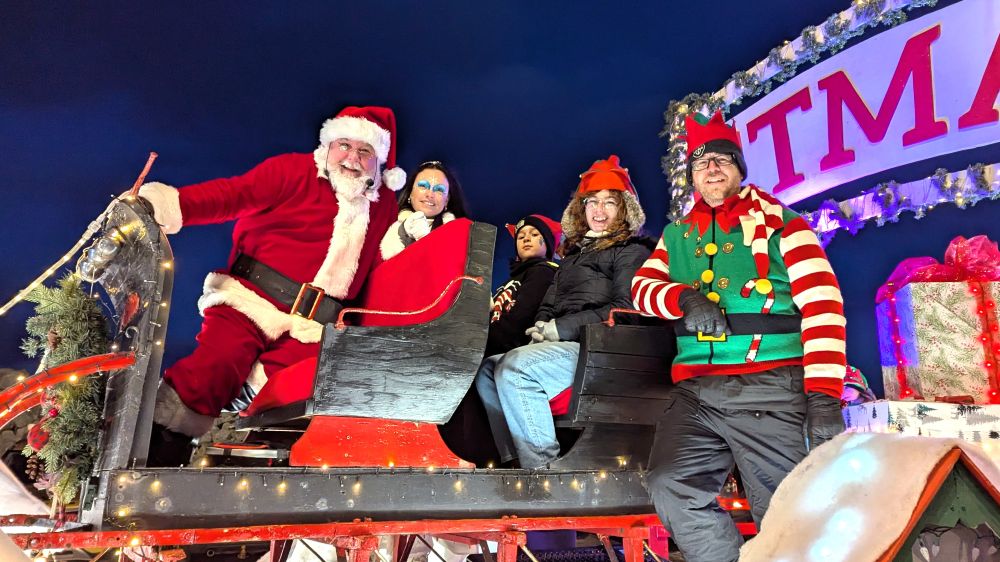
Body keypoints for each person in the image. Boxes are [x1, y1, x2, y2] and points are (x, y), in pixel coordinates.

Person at [630, 111, 847, 562]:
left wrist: (824, 398)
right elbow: (642, 290)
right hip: (697, 394)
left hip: (770, 387)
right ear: (692, 175)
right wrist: (685, 297)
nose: (711, 168)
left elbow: (824, 308)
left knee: (784, 512)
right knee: (670, 483)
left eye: (722, 159)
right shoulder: (677, 235)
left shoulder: (785, 226)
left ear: (739, 168)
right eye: (701, 162)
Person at [136, 106, 405, 463]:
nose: (352, 158)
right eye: (344, 145)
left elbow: (381, 265)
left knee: (297, 387)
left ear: (379, 161)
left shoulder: (383, 205)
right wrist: (168, 205)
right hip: (252, 302)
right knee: (215, 366)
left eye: (364, 150)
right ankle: (154, 456)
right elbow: (232, 195)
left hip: (312, 329)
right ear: (328, 145)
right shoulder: (292, 170)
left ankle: (240, 433)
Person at [475, 155, 653, 469]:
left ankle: (543, 468)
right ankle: (513, 461)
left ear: (624, 209)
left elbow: (626, 307)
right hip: (563, 345)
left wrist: (562, 328)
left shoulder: (631, 252)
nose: (599, 210)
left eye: (609, 202)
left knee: (515, 368)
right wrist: (541, 326)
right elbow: (549, 302)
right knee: (487, 369)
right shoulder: (571, 258)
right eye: (592, 202)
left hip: (597, 348)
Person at [379, 160, 469, 259]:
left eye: (439, 190)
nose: (430, 194)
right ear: (410, 193)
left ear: (446, 200)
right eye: (423, 186)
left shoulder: (463, 235)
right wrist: (404, 233)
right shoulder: (383, 226)